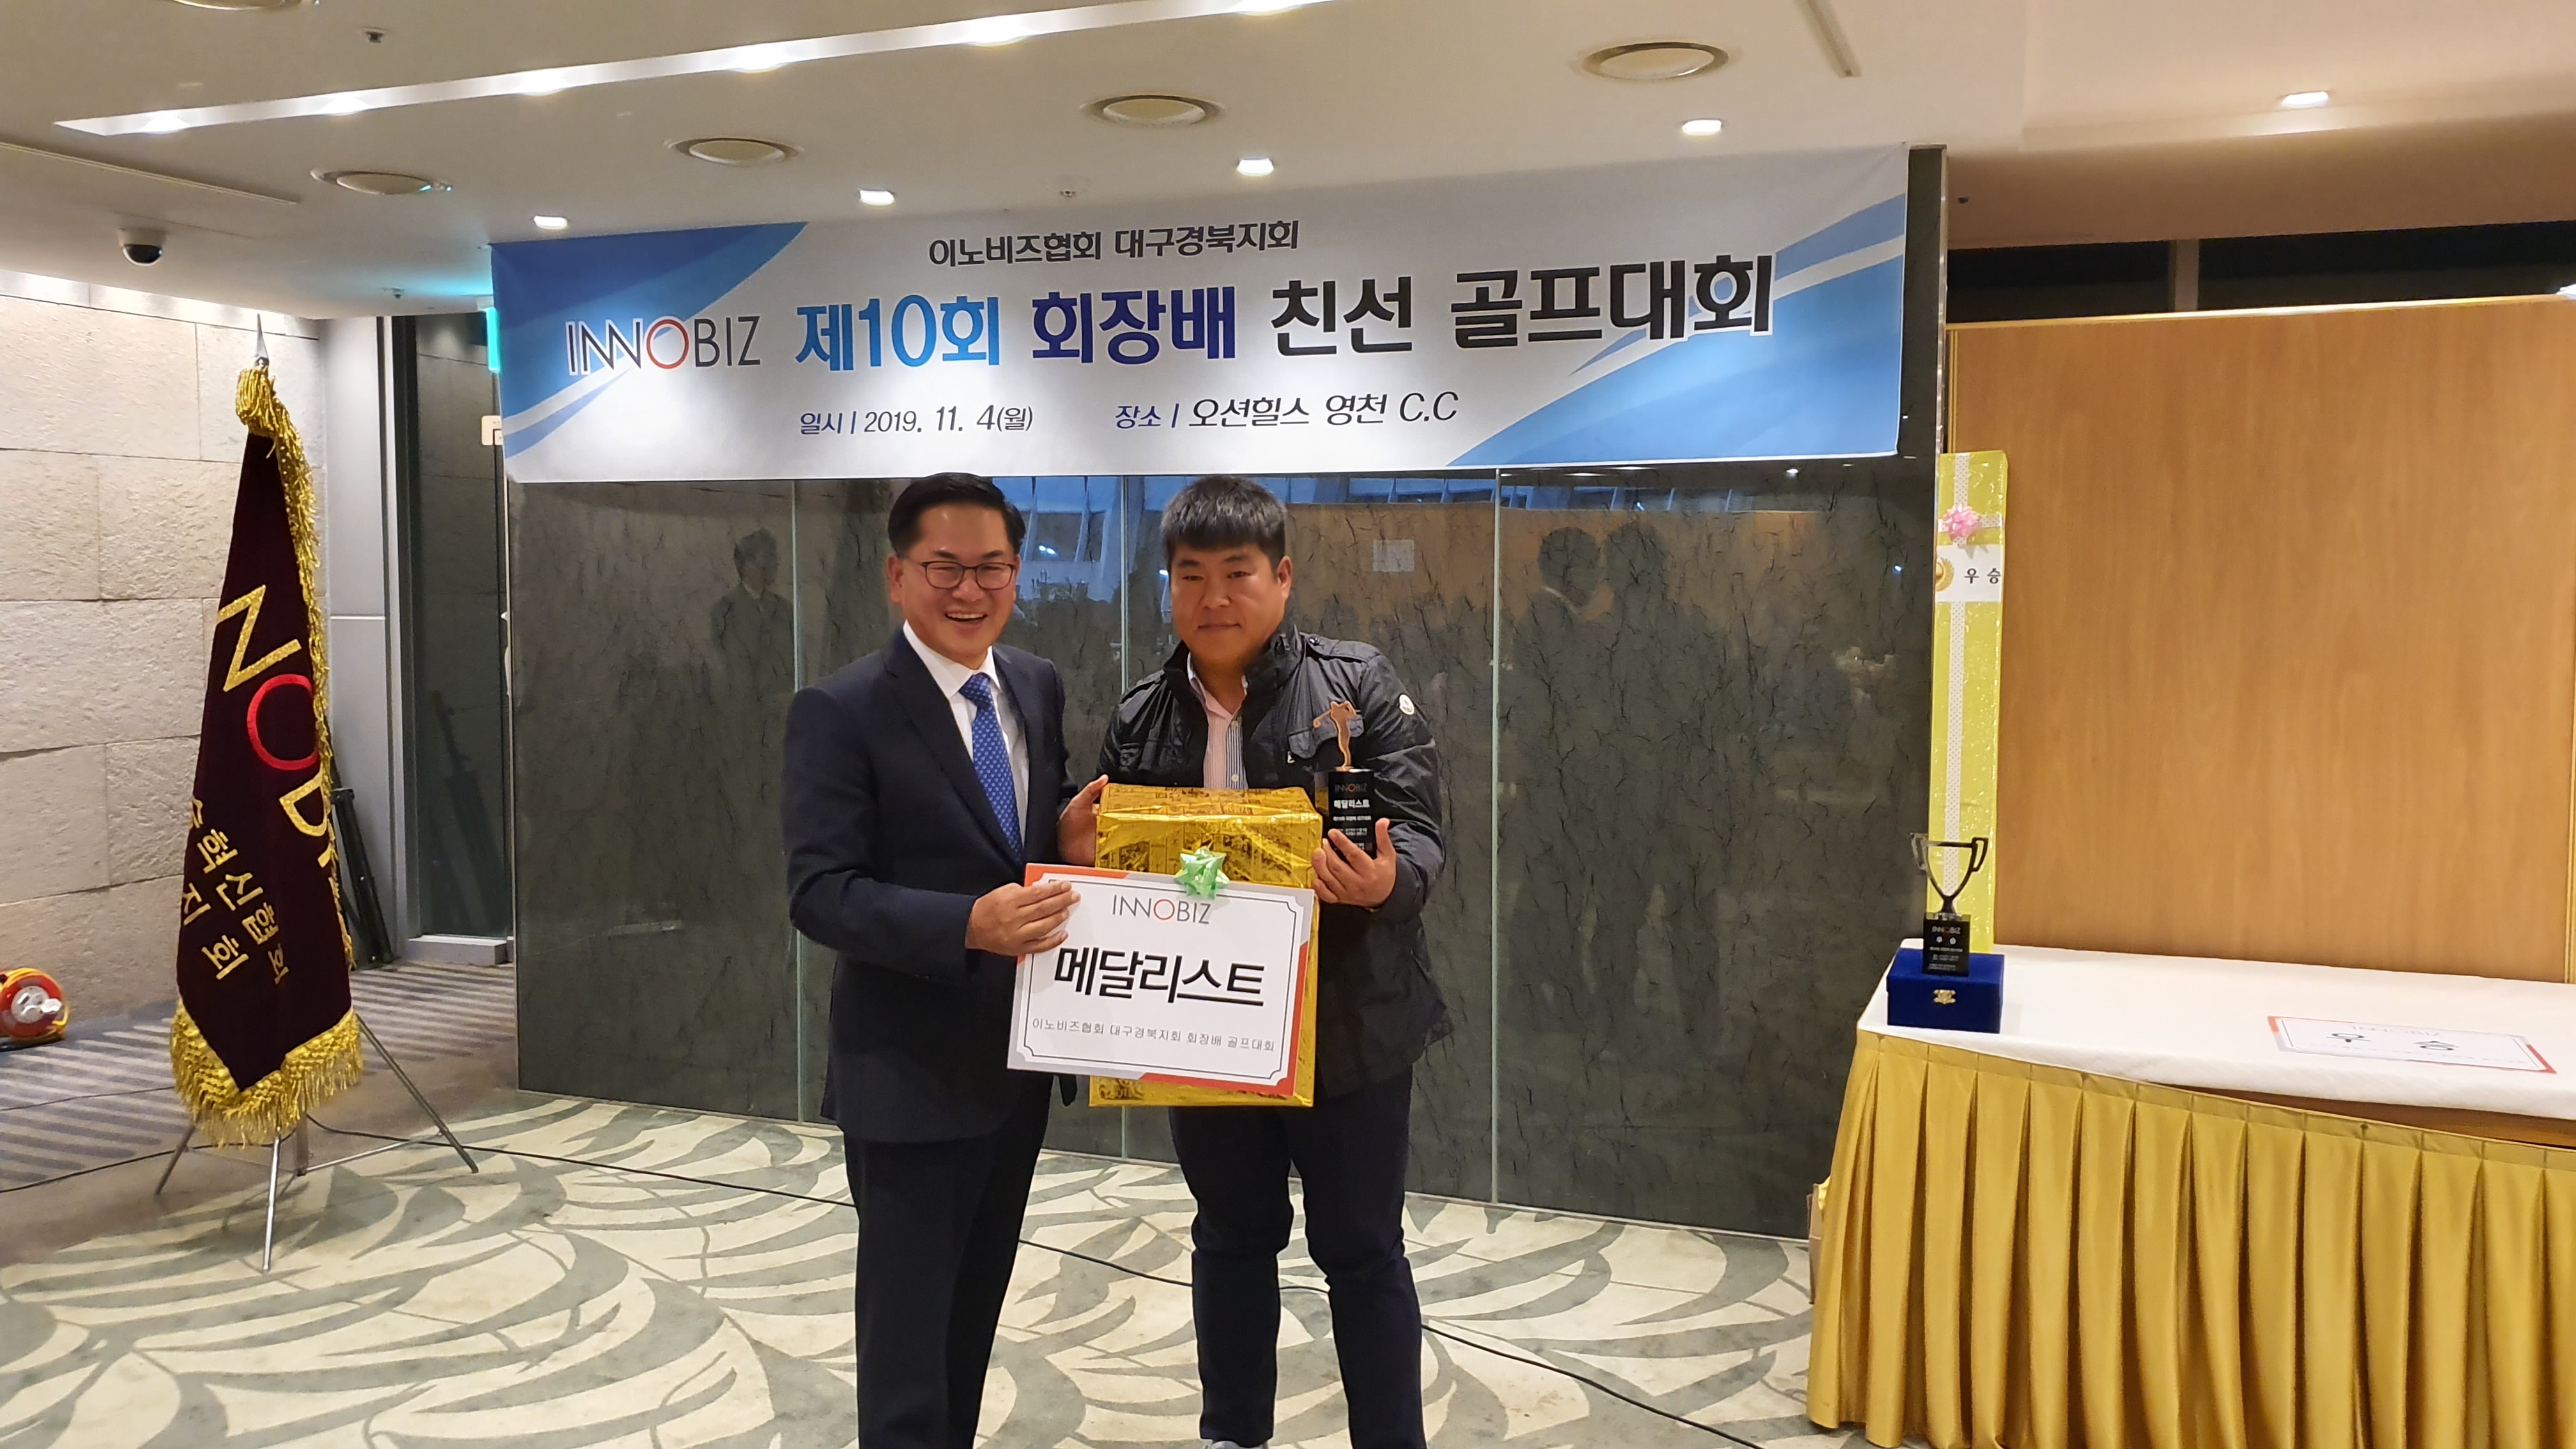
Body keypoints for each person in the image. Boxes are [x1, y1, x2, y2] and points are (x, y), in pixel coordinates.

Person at [1059, 474, 1448, 1449]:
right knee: (1230, 1240)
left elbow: (1422, 837)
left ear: (1283, 578)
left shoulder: (1356, 687)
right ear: (1169, 588)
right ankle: (1232, 1432)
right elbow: (1121, 877)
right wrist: (1079, 859)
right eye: (1191, 576)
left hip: (1351, 1026)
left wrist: (1385, 881)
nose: (1214, 598)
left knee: (1362, 1252)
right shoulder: (1141, 716)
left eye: (1238, 573)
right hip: (1210, 1030)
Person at [781, 473, 1081, 1449]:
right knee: (908, 1350)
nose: (969, 590)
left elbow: (1021, 833)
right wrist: (966, 927)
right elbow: (821, 892)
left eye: (992, 567)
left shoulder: (1033, 683)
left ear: (1017, 572)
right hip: (906, 1079)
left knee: (970, 1324)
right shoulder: (841, 710)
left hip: (1016, 1069)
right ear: (896, 576)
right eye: (944, 567)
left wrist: (1070, 835)